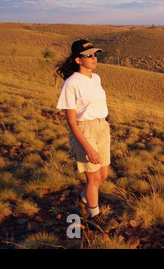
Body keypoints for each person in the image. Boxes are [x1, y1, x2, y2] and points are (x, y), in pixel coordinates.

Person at [56, 39, 110, 221]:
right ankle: (95, 217)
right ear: (78, 60)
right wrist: (88, 148)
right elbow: (71, 122)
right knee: (93, 179)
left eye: (95, 54)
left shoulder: (96, 78)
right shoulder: (71, 84)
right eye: (88, 55)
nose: (94, 58)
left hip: (102, 127)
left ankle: (83, 199)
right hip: (84, 130)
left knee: (103, 174)